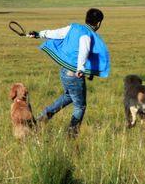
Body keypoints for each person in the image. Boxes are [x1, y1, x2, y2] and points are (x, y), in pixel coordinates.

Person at [28, 8, 110, 137]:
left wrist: (39, 34)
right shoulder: (87, 35)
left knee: (68, 97)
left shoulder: (75, 28)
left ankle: (39, 120)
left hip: (64, 71)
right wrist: (81, 69)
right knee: (80, 106)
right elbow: (84, 50)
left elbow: (56, 33)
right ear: (99, 23)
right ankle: (72, 135)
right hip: (74, 74)